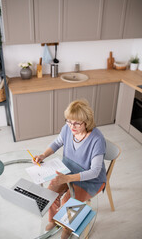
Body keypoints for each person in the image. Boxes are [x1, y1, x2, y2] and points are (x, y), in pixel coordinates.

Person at [33, 99, 106, 239]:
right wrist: (43, 155)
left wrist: (68, 179)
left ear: (87, 121)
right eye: (69, 121)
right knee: (50, 191)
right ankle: (54, 220)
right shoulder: (68, 128)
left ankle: (67, 228)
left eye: (77, 123)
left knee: (68, 201)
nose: (72, 126)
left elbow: (95, 171)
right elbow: (57, 143)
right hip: (67, 170)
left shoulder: (97, 139)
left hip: (91, 180)